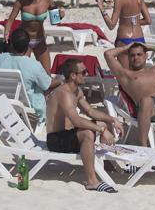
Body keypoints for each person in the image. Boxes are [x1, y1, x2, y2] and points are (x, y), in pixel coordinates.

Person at [45, 58, 124, 193]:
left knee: (102, 122)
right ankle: (92, 181)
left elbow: (90, 111)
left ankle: (108, 164)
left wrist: (112, 120)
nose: (87, 74)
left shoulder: (77, 91)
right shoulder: (64, 93)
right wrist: (102, 130)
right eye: (84, 72)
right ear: (73, 75)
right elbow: (76, 120)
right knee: (87, 133)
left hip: (68, 134)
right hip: (56, 139)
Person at [0, 28, 60, 120]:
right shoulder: (33, 65)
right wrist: (60, 81)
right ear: (28, 46)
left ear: (11, 44)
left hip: (1, 105)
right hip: (28, 109)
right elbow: (47, 85)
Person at [5, 0, 61, 72]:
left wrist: (60, 16)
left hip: (40, 40)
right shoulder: (20, 1)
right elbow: (10, 20)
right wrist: (6, 32)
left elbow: (55, 21)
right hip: (24, 42)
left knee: (46, 73)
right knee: (22, 72)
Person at [97, 0, 151, 68]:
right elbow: (148, 20)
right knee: (137, 74)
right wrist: (133, 22)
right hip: (140, 38)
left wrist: (101, 7)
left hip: (125, 39)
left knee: (124, 76)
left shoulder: (120, 0)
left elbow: (111, 25)